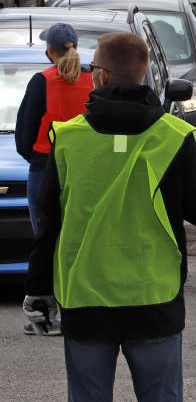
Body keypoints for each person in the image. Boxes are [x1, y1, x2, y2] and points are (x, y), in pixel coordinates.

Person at [23, 32, 196, 401]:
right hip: (154, 300)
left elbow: (49, 225)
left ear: (101, 76)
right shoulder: (172, 136)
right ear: (144, 77)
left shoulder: (69, 139)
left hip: (85, 302)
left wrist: (39, 291)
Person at [15, 23, 94, 337]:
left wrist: (38, 159)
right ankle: (83, 310)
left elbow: (24, 136)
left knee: (47, 243)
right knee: (82, 242)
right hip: (89, 171)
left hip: (47, 170)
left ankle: (49, 316)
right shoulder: (94, 78)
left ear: (50, 50)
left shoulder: (42, 82)